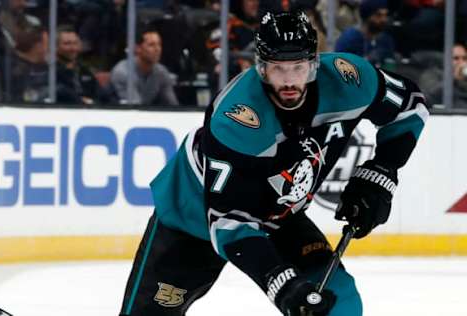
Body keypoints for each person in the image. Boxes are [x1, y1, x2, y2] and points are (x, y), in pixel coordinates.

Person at [119, 11, 428, 316]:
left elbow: (411, 107)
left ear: (314, 64)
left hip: (281, 214)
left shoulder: (350, 80)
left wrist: (381, 173)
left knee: (338, 301)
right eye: (278, 69)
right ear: (261, 68)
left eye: (298, 67)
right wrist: (280, 284)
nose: (290, 80)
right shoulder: (237, 117)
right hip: (193, 217)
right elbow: (230, 224)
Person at [110, 24, 179, 106]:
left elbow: (173, 106)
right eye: (151, 45)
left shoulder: (161, 72)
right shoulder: (123, 73)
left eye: (159, 44)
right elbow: (135, 109)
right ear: (138, 48)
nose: (157, 49)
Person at [335, 0, 396, 68]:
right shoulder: (350, 38)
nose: (383, 19)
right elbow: (340, 66)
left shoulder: (386, 39)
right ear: (367, 17)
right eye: (378, 15)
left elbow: (390, 66)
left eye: (385, 15)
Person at [55, 25, 104, 105]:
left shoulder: (85, 70)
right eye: (67, 44)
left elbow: (102, 96)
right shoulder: (50, 72)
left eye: (75, 43)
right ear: (55, 46)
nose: (73, 48)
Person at [419, 43, 467, 108]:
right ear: (445, 59)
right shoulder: (431, 74)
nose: (461, 62)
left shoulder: (464, 77)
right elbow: (430, 96)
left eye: (464, 58)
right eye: (456, 58)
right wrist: (454, 78)